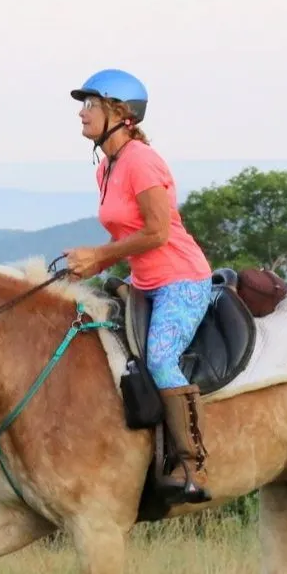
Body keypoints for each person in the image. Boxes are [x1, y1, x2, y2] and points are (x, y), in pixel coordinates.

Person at [64, 69, 214, 502]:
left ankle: (192, 467)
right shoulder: (107, 168)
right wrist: (91, 266)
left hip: (181, 281)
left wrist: (100, 256)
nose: (81, 113)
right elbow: (125, 232)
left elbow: (157, 232)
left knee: (162, 360)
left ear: (120, 113)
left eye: (89, 105)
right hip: (144, 281)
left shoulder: (142, 161)